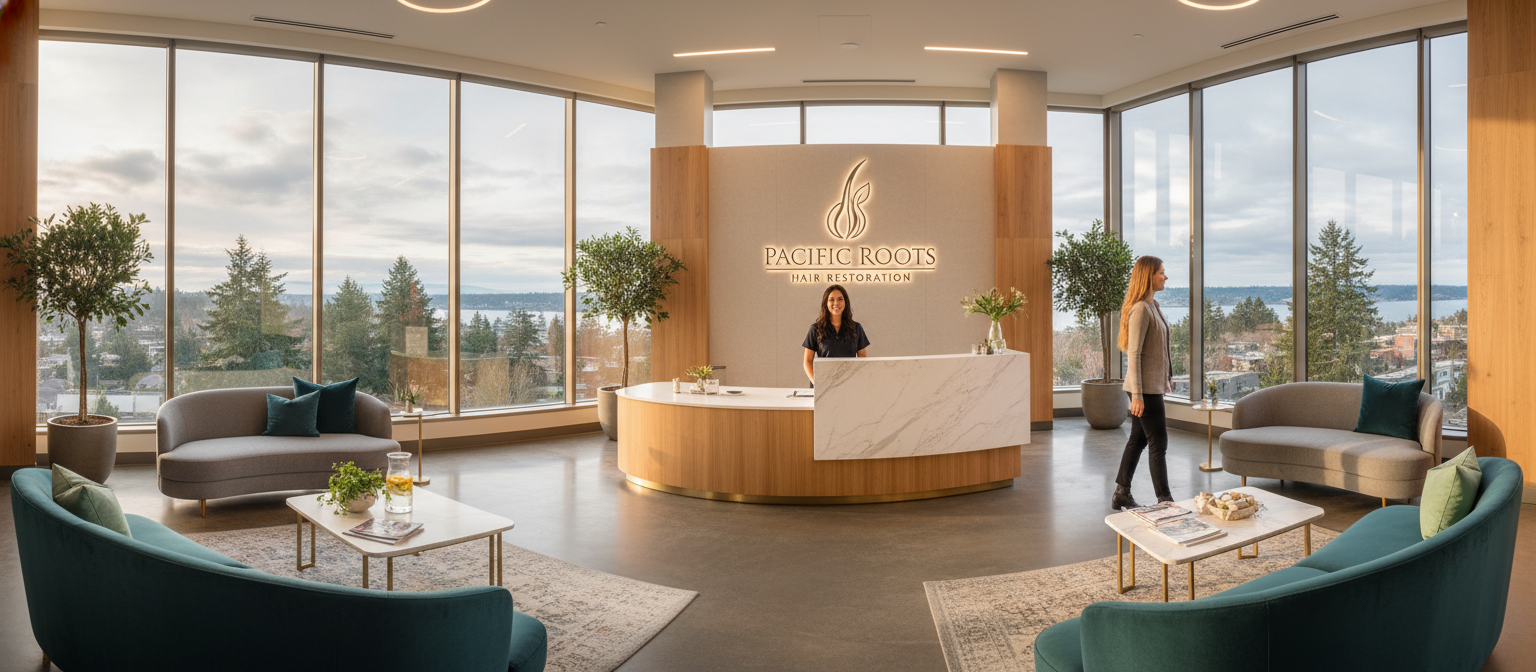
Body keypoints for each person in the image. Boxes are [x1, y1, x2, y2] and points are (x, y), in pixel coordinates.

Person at [1112, 256, 1174, 511]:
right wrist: (1137, 395)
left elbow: (1161, 348)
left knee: (1138, 440)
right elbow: (1134, 354)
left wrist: (1167, 377)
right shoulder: (1140, 309)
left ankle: (1121, 493)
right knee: (1158, 442)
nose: (1165, 276)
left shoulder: (1153, 305)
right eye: (1161, 272)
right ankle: (1166, 501)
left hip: (1151, 385)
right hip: (1143, 389)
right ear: (1149, 276)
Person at [802, 284, 869, 386]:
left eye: (840, 299)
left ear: (845, 302)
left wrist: (856, 379)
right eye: (831, 299)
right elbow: (807, 361)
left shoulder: (856, 328)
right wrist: (818, 383)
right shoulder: (816, 329)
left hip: (848, 383)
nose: (836, 303)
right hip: (822, 384)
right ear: (826, 303)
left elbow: (862, 357)